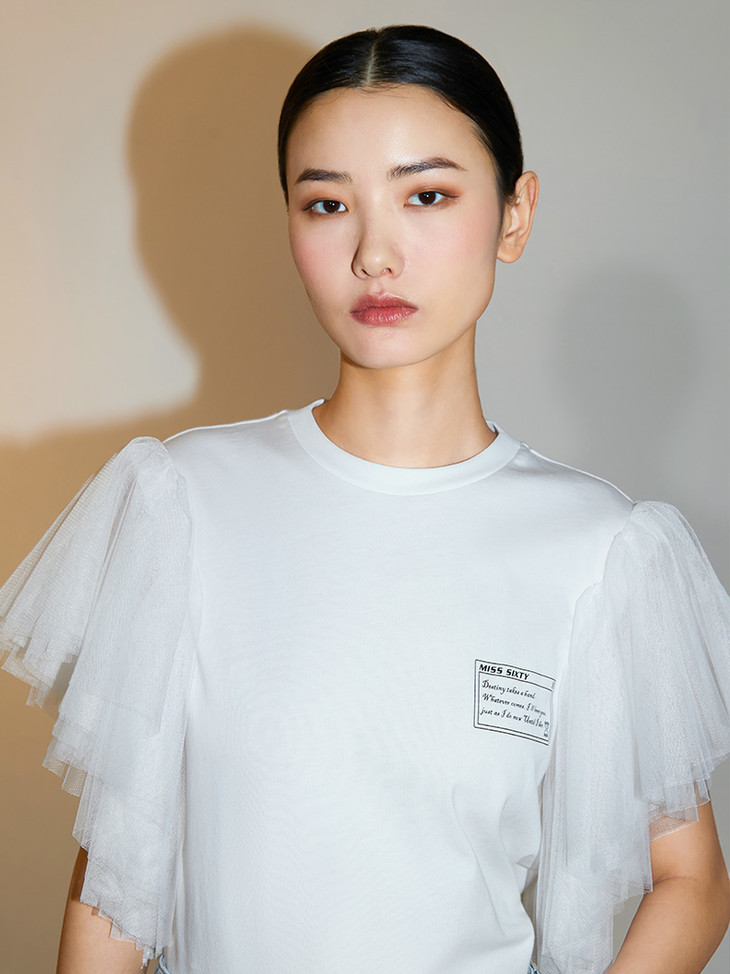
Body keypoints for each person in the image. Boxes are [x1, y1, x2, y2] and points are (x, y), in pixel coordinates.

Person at [1, 23, 729, 974]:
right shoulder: (183, 502)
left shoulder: (602, 548)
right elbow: (121, 877)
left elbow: (691, 879)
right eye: (328, 204)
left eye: (426, 195)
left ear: (514, 216)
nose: (375, 254)